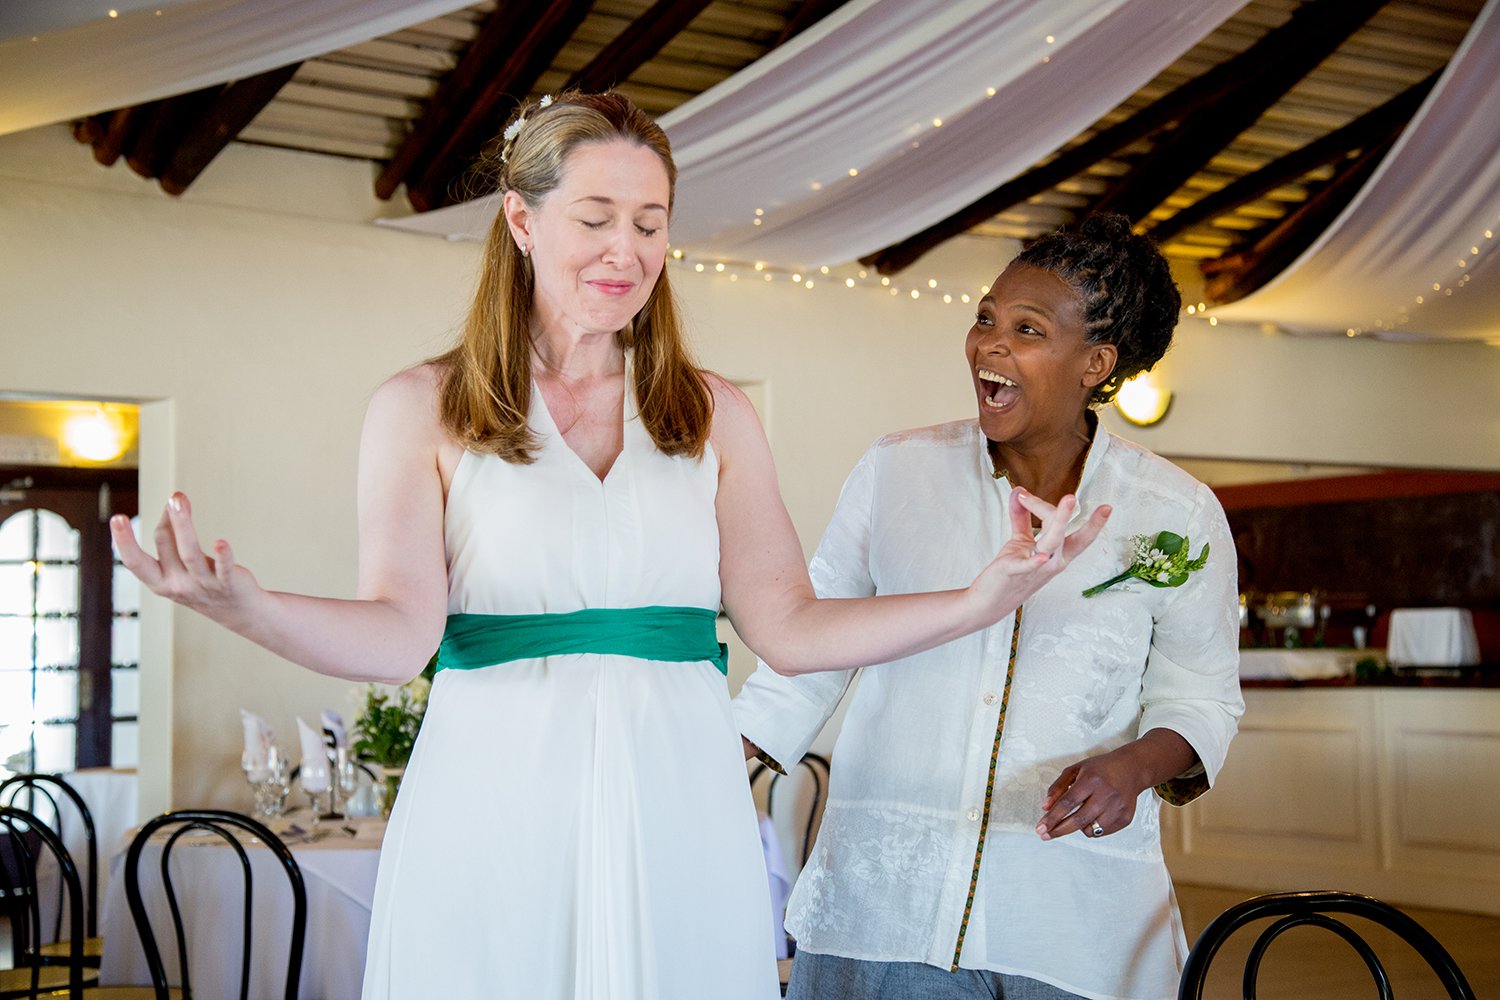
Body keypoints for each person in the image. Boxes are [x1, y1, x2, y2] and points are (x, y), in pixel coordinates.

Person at [109, 92, 1109, 1000]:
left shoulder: (711, 413)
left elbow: (791, 626)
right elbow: (395, 633)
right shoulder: (423, 407)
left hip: (678, 791)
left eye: (648, 221)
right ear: (521, 219)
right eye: (594, 218)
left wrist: (980, 598)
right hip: (493, 788)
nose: (624, 250)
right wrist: (247, 606)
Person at [734, 214, 1244, 1000]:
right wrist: (722, 760)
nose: (989, 345)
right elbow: (810, 645)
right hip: (880, 906)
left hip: (1070, 922)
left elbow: (1202, 694)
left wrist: (1133, 768)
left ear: (1096, 363)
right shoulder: (897, 470)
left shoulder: (1176, 512)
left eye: (1027, 329)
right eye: (984, 319)